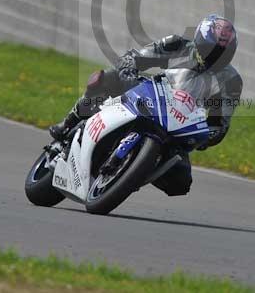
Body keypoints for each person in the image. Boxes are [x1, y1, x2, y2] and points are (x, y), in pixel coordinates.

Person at [49, 14, 243, 196]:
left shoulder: (231, 80)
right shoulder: (176, 45)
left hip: (179, 125)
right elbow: (137, 57)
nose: (215, 56)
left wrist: (207, 135)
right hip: (151, 96)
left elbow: (219, 122)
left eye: (222, 53)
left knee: (181, 183)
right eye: (211, 49)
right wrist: (129, 68)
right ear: (200, 41)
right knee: (106, 78)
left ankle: (130, 175)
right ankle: (68, 122)